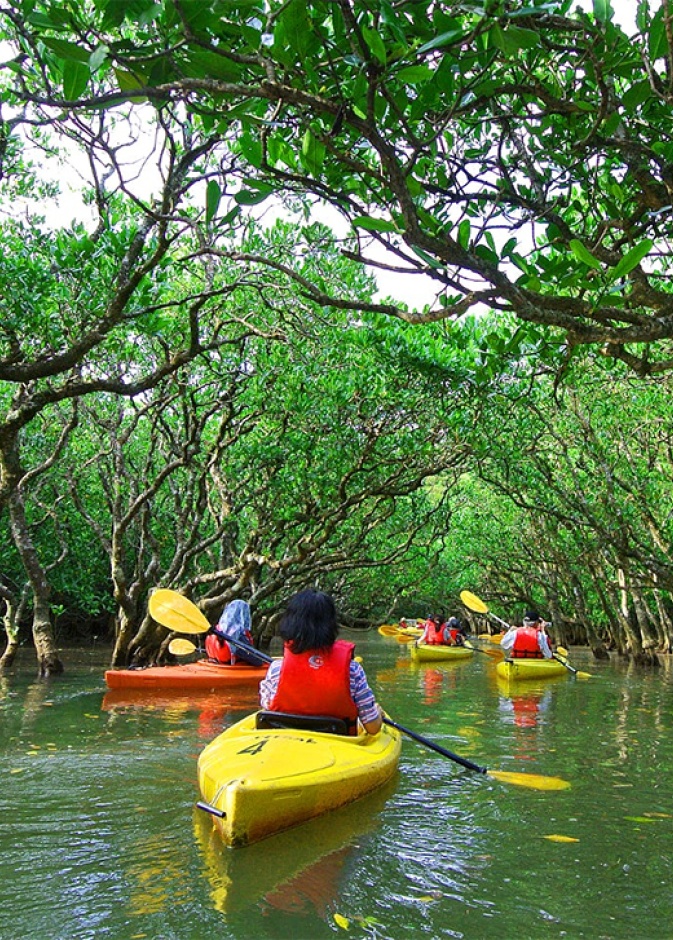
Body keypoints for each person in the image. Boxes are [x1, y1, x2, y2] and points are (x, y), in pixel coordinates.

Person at [259, 588, 382, 735]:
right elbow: (373, 728)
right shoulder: (353, 670)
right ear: (331, 625)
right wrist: (379, 715)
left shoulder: (276, 669)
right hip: (338, 747)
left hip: (286, 745)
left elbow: (267, 710)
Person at [204, 598, 258, 665]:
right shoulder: (238, 633)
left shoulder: (216, 629)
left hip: (215, 661)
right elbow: (256, 661)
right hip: (228, 665)